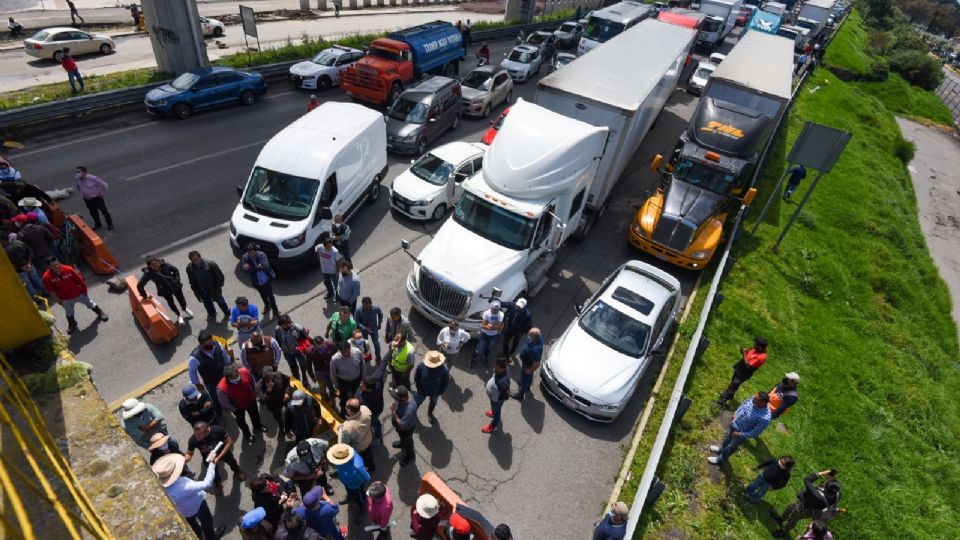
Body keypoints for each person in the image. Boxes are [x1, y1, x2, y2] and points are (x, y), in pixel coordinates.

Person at [152, 452, 225, 540]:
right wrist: (212, 463)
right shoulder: (184, 486)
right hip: (199, 506)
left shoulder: (160, 488)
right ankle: (211, 538)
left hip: (184, 513)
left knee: (193, 527)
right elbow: (207, 483)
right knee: (207, 522)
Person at [42, 258, 108, 334]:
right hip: (65, 299)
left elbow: (79, 280)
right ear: (48, 267)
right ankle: (72, 324)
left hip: (79, 294)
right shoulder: (46, 278)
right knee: (69, 312)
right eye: (53, 266)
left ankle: (100, 313)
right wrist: (58, 300)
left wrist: (84, 291)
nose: (56, 267)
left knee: (90, 303)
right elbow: (51, 291)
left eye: (57, 264)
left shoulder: (68, 269)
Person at [771, 470, 842, 537]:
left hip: (805, 508)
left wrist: (821, 473)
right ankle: (781, 518)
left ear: (826, 487)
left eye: (827, 481)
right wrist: (831, 478)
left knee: (793, 518)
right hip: (810, 506)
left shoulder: (817, 494)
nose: (826, 480)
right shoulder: (836, 494)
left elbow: (807, 480)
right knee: (790, 507)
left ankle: (783, 531)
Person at [708, 392, 773, 465]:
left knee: (731, 447)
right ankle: (721, 450)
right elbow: (743, 404)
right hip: (733, 424)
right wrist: (736, 412)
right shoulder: (753, 399)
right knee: (727, 439)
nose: (753, 399)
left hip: (740, 434)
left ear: (762, 403)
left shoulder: (765, 418)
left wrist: (740, 434)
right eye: (754, 397)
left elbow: (755, 433)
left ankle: (721, 459)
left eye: (756, 399)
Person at [185, 420, 244, 495]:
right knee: (213, 473)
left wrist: (219, 457)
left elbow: (229, 442)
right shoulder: (193, 439)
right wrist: (183, 460)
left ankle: (237, 471)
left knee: (232, 462)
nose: (197, 437)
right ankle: (218, 484)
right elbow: (189, 453)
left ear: (207, 430)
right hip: (209, 459)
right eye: (195, 434)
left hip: (223, 452)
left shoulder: (218, 430)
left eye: (200, 435)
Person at [187, 331, 233, 420]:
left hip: (224, 376)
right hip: (211, 382)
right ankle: (219, 417)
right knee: (215, 399)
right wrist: (197, 384)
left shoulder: (217, 344)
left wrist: (229, 366)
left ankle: (227, 404)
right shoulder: (194, 357)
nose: (211, 345)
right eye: (207, 344)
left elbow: (225, 356)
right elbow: (192, 372)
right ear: (201, 345)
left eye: (211, 342)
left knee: (228, 392)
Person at [216, 363, 266, 442]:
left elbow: (252, 382)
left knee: (255, 415)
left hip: (251, 400)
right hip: (237, 407)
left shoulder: (244, 371)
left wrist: (254, 393)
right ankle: (247, 434)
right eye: (234, 373)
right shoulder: (221, 388)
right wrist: (234, 409)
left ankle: (258, 426)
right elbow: (224, 403)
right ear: (228, 377)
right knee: (241, 421)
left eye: (236, 370)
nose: (237, 373)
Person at [138, 256, 194, 325]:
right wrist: (144, 295)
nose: (155, 266)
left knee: (182, 300)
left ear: (157, 261)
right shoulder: (149, 273)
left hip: (175, 286)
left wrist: (177, 280)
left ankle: (184, 308)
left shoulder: (165, 265)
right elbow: (140, 285)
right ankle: (179, 315)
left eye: (156, 263)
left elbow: (175, 270)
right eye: (152, 265)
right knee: (171, 304)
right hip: (164, 290)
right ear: (149, 266)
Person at [716, 337, 767, 406]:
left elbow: (748, 365)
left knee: (733, 385)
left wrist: (744, 354)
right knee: (733, 382)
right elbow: (750, 356)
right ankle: (730, 395)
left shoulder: (761, 357)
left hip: (744, 372)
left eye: (756, 344)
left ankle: (721, 401)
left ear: (760, 347)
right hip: (740, 367)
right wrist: (747, 352)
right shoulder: (756, 349)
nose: (754, 345)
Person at [327, 443, 370, 520]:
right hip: (347, 482)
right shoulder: (345, 455)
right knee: (349, 491)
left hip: (354, 484)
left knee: (358, 497)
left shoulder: (357, 466)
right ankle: (350, 497)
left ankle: (363, 508)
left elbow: (366, 477)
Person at [186, 251, 230, 321]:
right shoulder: (189, 268)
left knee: (220, 301)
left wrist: (218, 288)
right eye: (193, 260)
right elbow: (191, 281)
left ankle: (227, 313)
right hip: (202, 290)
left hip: (214, 289)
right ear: (191, 260)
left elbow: (220, 277)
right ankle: (212, 314)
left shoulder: (210, 264)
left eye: (197, 259)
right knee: (207, 303)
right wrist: (195, 291)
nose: (196, 261)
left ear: (200, 257)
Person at [241, 243, 279, 320]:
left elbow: (265, 265)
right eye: (249, 252)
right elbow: (245, 270)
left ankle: (275, 310)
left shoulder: (261, 255)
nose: (250, 254)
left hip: (266, 280)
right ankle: (267, 306)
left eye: (252, 252)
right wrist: (254, 267)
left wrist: (251, 268)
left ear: (256, 251)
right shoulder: (245, 257)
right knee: (263, 295)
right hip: (256, 281)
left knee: (270, 296)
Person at [338, 398, 375, 472]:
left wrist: (340, 430)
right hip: (368, 438)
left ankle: (363, 471)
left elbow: (342, 443)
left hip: (359, 446)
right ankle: (371, 466)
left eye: (346, 407)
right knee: (368, 454)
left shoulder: (347, 428)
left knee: (360, 459)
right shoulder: (365, 409)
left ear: (349, 411)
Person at [414, 350, 450, 423]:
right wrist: (418, 387)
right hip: (422, 391)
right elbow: (416, 377)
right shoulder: (421, 366)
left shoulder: (445, 370)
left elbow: (446, 382)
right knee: (417, 402)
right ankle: (413, 413)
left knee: (433, 403)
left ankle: (430, 414)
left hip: (435, 392)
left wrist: (440, 391)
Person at [330, 340, 365, 414]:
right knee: (344, 398)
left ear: (350, 348)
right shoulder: (335, 359)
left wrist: (363, 378)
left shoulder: (357, 352)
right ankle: (344, 411)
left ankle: (356, 411)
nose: (345, 354)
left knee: (358, 397)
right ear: (339, 351)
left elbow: (363, 366)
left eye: (347, 351)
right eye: (343, 352)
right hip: (344, 382)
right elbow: (333, 373)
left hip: (357, 380)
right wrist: (336, 385)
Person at [356, 363, 386, 443]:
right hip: (379, 407)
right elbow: (382, 365)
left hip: (373, 413)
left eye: (362, 385)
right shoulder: (377, 380)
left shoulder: (365, 400)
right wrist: (391, 351)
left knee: (374, 423)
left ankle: (378, 437)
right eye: (361, 382)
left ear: (369, 389)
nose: (360, 385)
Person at [275, 314, 310, 381]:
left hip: (298, 351)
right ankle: (297, 379)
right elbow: (277, 338)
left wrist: (301, 347)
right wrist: (281, 347)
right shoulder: (278, 329)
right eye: (284, 325)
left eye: (288, 323)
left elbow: (306, 336)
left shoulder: (297, 328)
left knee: (302, 365)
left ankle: (304, 377)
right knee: (293, 366)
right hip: (287, 352)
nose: (288, 325)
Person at [257, 367, 291, 437]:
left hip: (284, 399)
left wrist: (287, 393)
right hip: (274, 405)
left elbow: (288, 382)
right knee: (279, 418)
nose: (271, 380)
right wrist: (268, 390)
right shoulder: (258, 386)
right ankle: (282, 427)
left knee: (290, 411)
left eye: (272, 377)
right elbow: (263, 401)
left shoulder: (279, 375)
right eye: (267, 379)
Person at [511, 327, 542, 401]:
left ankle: (520, 394)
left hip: (528, 365)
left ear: (535, 338)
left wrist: (530, 370)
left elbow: (537, 363)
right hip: (526, 362)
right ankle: (527, 386)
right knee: (528, 377)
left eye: (530, 335)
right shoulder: (537, 338)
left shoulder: (536, 350)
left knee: (526, 377)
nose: (528, 335)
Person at [390, 385, 417, 466]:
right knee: (402, 438)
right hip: (400, 428)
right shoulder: (405, 396)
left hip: (406, 429)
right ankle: (402, 443)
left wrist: (394, 412)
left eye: (396, 397)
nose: (395, 399)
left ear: (403, 398)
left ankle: (410, 455)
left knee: (407, 442)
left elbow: (402, 424)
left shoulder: (409, 409)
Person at [471, 300, 504, 368]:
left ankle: (485, 358)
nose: (495, 311)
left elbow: (499, 327)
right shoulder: (486, 313)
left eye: (497, 309)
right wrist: (494, 327)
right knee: (479, 348)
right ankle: (473, 359)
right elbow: (483, 326)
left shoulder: (501, 314)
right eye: (494, 309)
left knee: (489, 348)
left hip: (493, 335)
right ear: (491, 308)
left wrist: (489, 326)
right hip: (484, 334)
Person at [304, 336, 337, 400]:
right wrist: (312, 376)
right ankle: (324, 396)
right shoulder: (309, 352)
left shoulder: (331, 345)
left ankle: (332, 393)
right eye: (318, 346)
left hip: (331, 369)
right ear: (314, 344)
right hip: (319, 371)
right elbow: (308, 365)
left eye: (322, 345)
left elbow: (337, 355)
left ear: (324, 342)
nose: (321, 347)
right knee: (322, 386)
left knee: (332, 383)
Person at [483, 358, 510, 434]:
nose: (495, 369)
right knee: (495, 409)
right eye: (495, 366)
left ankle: (493, 426)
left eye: (498, 368)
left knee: (497, 412)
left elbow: (506, 395)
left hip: (497, 400)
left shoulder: (502, 383)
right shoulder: (505, 369)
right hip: (495, 397)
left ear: (503, 368)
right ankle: (494, 412)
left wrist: (500, 399)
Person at [355, 297, 384, 363]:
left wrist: (379, 323)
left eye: (369, 306)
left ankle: (378, 357)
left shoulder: (375, 308)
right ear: (362, 305)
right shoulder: (358, 311)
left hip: (373, 328)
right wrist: (364, 328)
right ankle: (367, 356)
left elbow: (380, 314)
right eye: (365, 307)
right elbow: (357, 321)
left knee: (376, 343)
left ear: (371, 304)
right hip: (364, 329)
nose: (368, 308)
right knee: (365, 343)